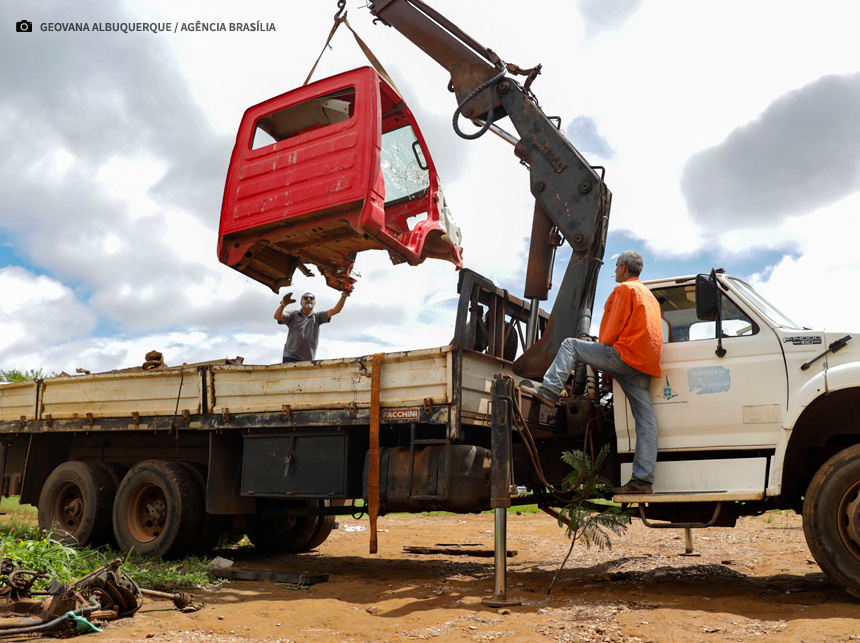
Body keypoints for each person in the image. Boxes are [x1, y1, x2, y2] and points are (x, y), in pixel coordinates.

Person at [521, 250, 663, 494]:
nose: (616, 272)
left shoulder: (625, 290)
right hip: (644, 364)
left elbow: (611, 328)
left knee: (571, 345)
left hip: (624, 355)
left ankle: (550, 390)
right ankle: (642, 481)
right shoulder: (648, 295)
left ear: (624, 267)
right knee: (646, 422)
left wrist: (602, 356)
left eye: (617, 267)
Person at [274, 290, 349, 363]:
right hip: (290, 357)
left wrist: (344, 296)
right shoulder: (293, 314)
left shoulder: (317, 316)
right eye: (305, 298)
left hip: (308, 359)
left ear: (314, 303)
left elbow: (336, 310)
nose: (309, 299)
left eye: (311, 298)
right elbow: (277, 317)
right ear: (301, 302)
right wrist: (283, 305)